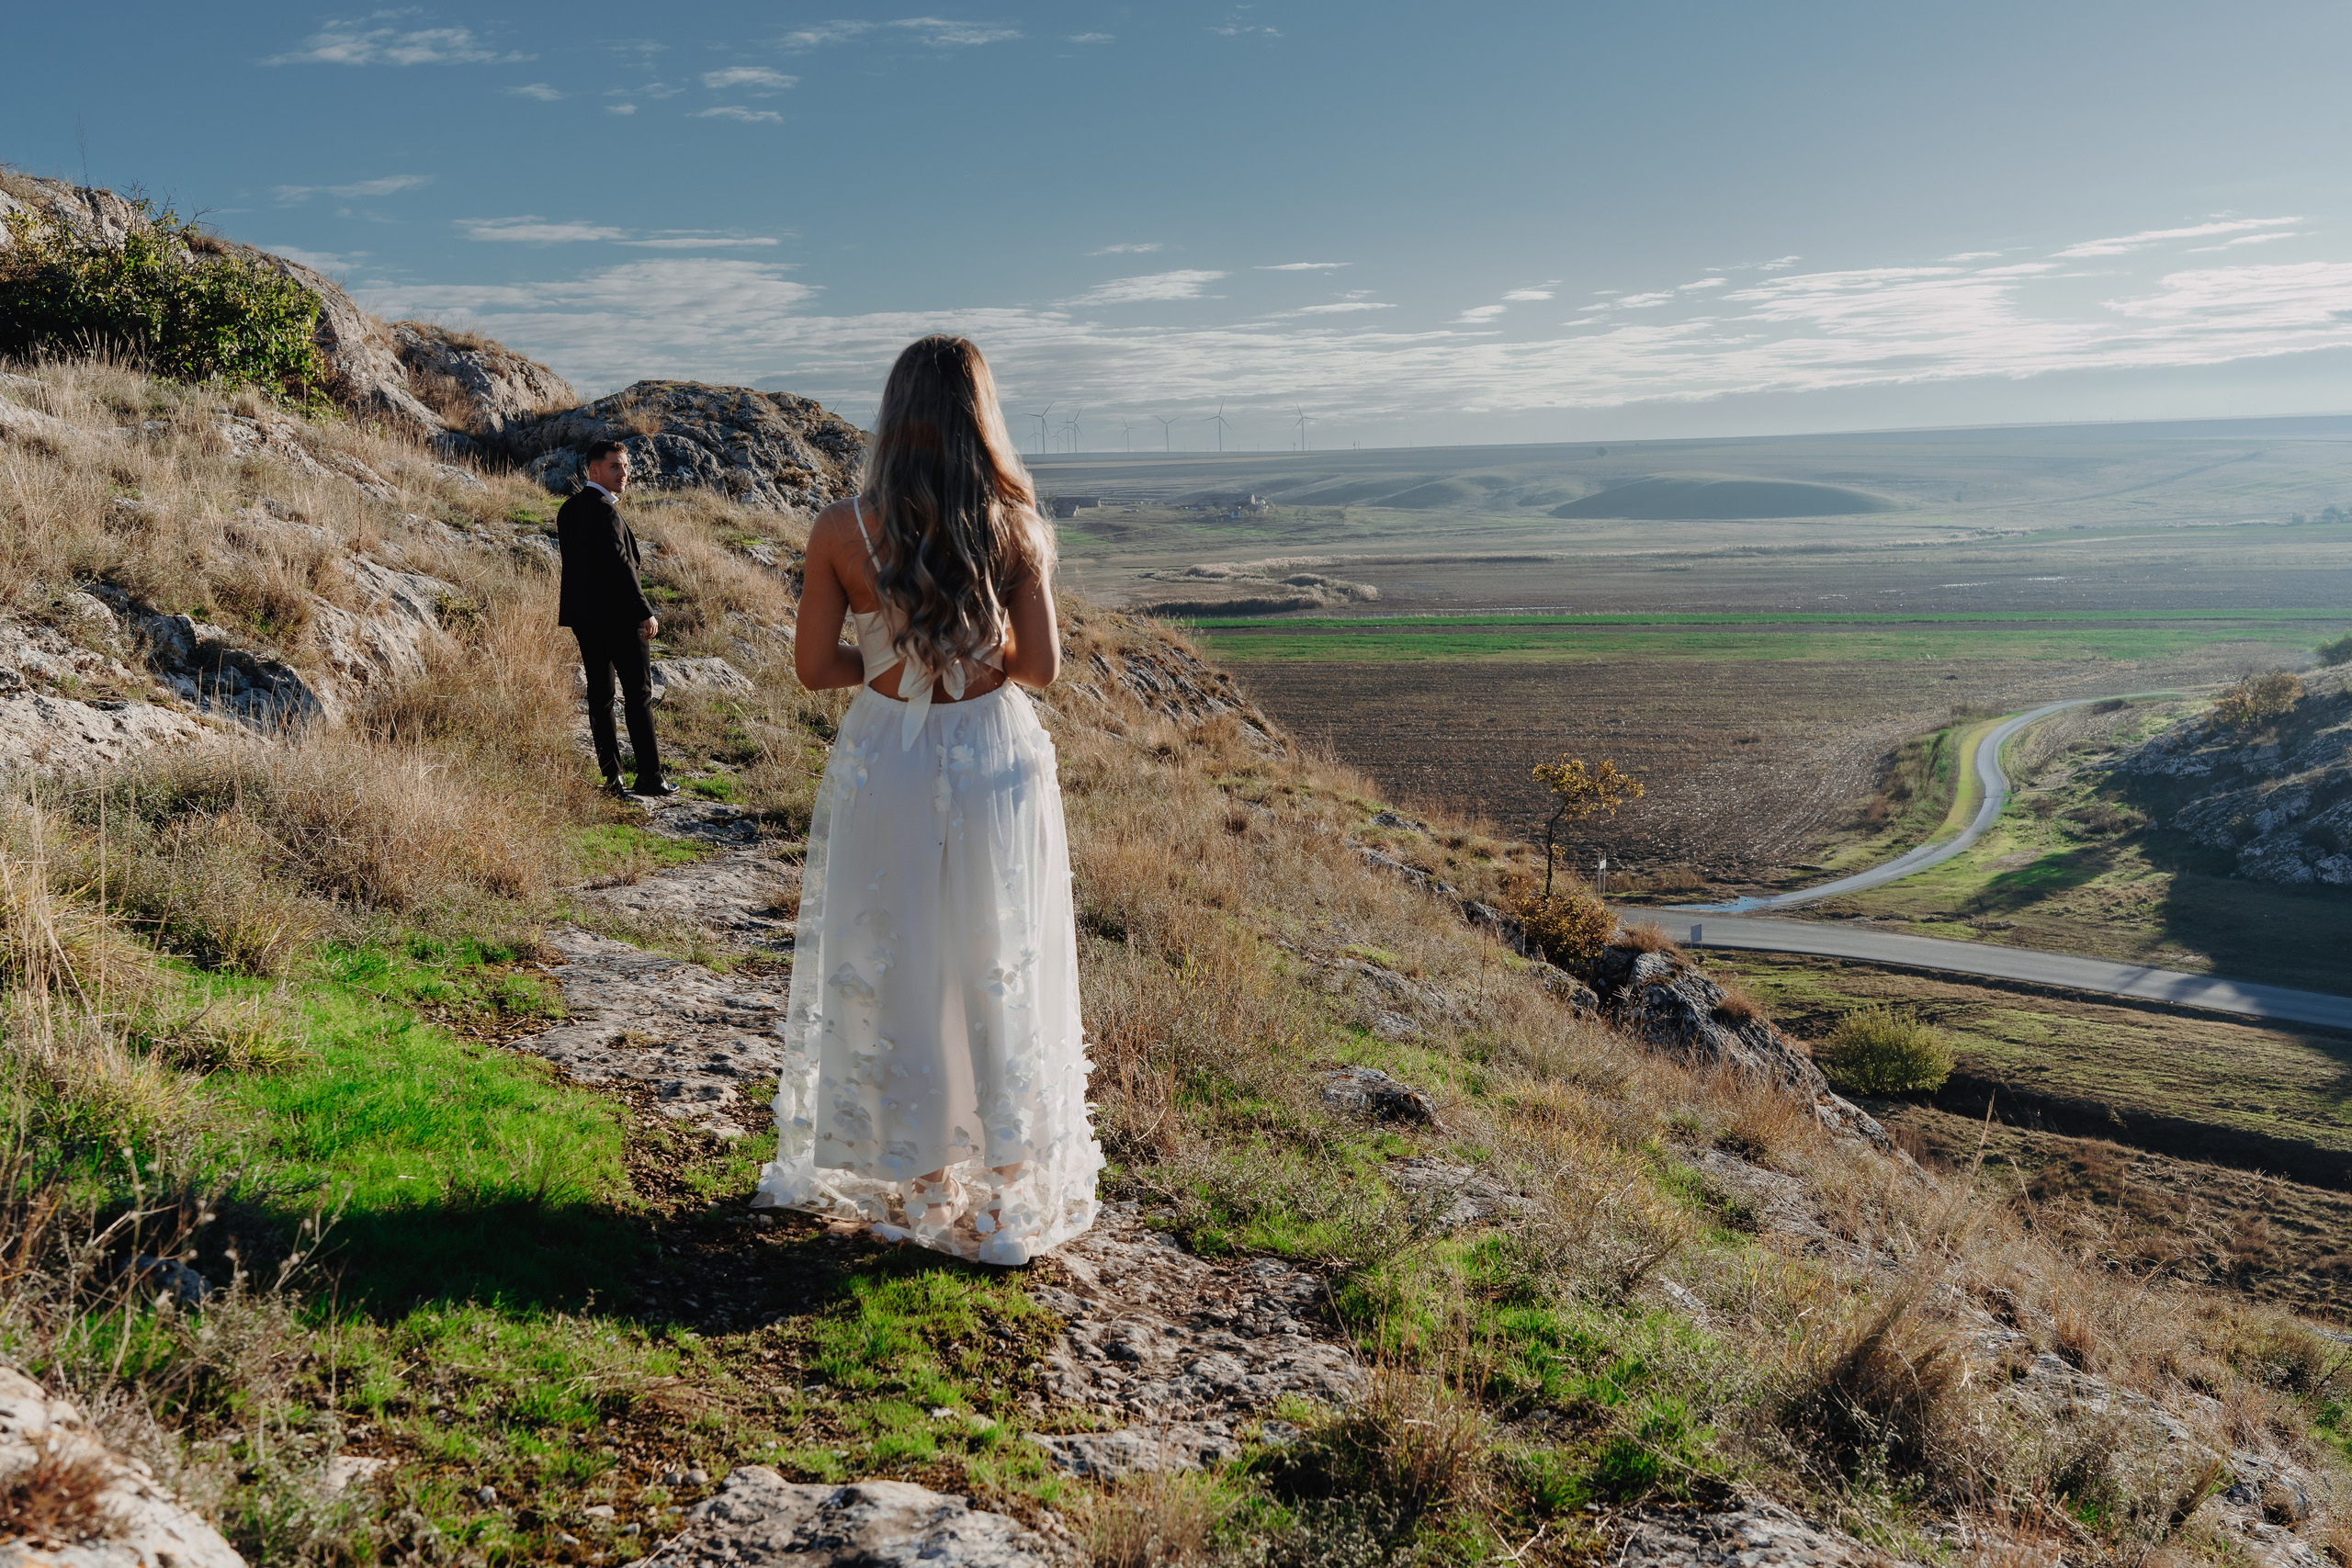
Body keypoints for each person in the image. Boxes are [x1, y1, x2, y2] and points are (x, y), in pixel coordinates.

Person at [754, 335, 1100, 1265]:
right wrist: (967, 661)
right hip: (993, 753)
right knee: (998, 953)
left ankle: (920, 1183)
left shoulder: (841, 529)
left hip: (889, 756)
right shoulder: (1016, 526)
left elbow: (812, 667)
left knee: (897, 948)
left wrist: (893, 663)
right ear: (978, 417)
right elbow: (1046, 667)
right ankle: (1004, 1198)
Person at [557, 439, 676, 798]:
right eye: (615, 467)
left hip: (585, 620)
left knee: (601, 696)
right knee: (639, 694)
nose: (624, 473)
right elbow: (621, 566)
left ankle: (613, 778)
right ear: (594, 471)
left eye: (625, 466)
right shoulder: (604, 511)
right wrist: (644, 610)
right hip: (620, 618)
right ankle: (651, 777)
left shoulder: (568, 509)